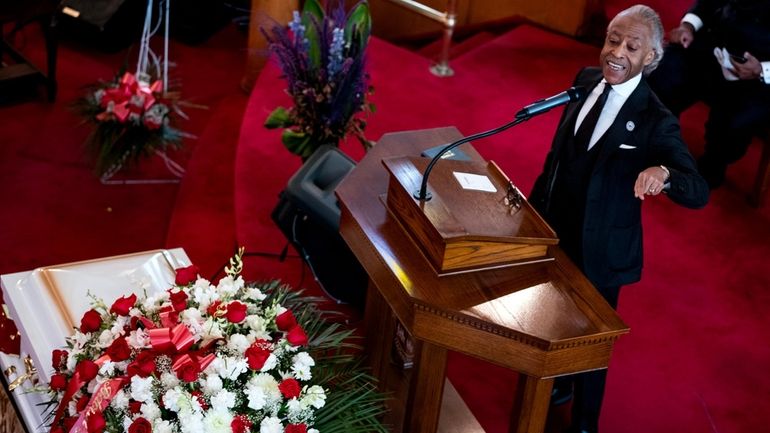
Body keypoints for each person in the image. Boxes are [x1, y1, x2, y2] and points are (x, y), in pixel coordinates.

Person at [529, 5, 710, 433]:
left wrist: (663, 175)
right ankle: (557, 384)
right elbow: (558, 158)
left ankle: (585, 422)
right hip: (555, 230)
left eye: (632, 47)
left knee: (592, 343)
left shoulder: (655, 120)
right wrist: (531, 217)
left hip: (603, 249)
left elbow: (696, 188)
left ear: (651, 57)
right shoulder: (584, 80)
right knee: (550, 317)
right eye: (613, 39)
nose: (616, 53)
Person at [648, 0, 770, 188]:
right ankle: (664, 143)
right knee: (663, 72)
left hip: (758, 73)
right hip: (712, 48)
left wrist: (762, 69)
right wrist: (687, 27)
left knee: (733, 125)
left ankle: (712, 167)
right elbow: (706, 4)